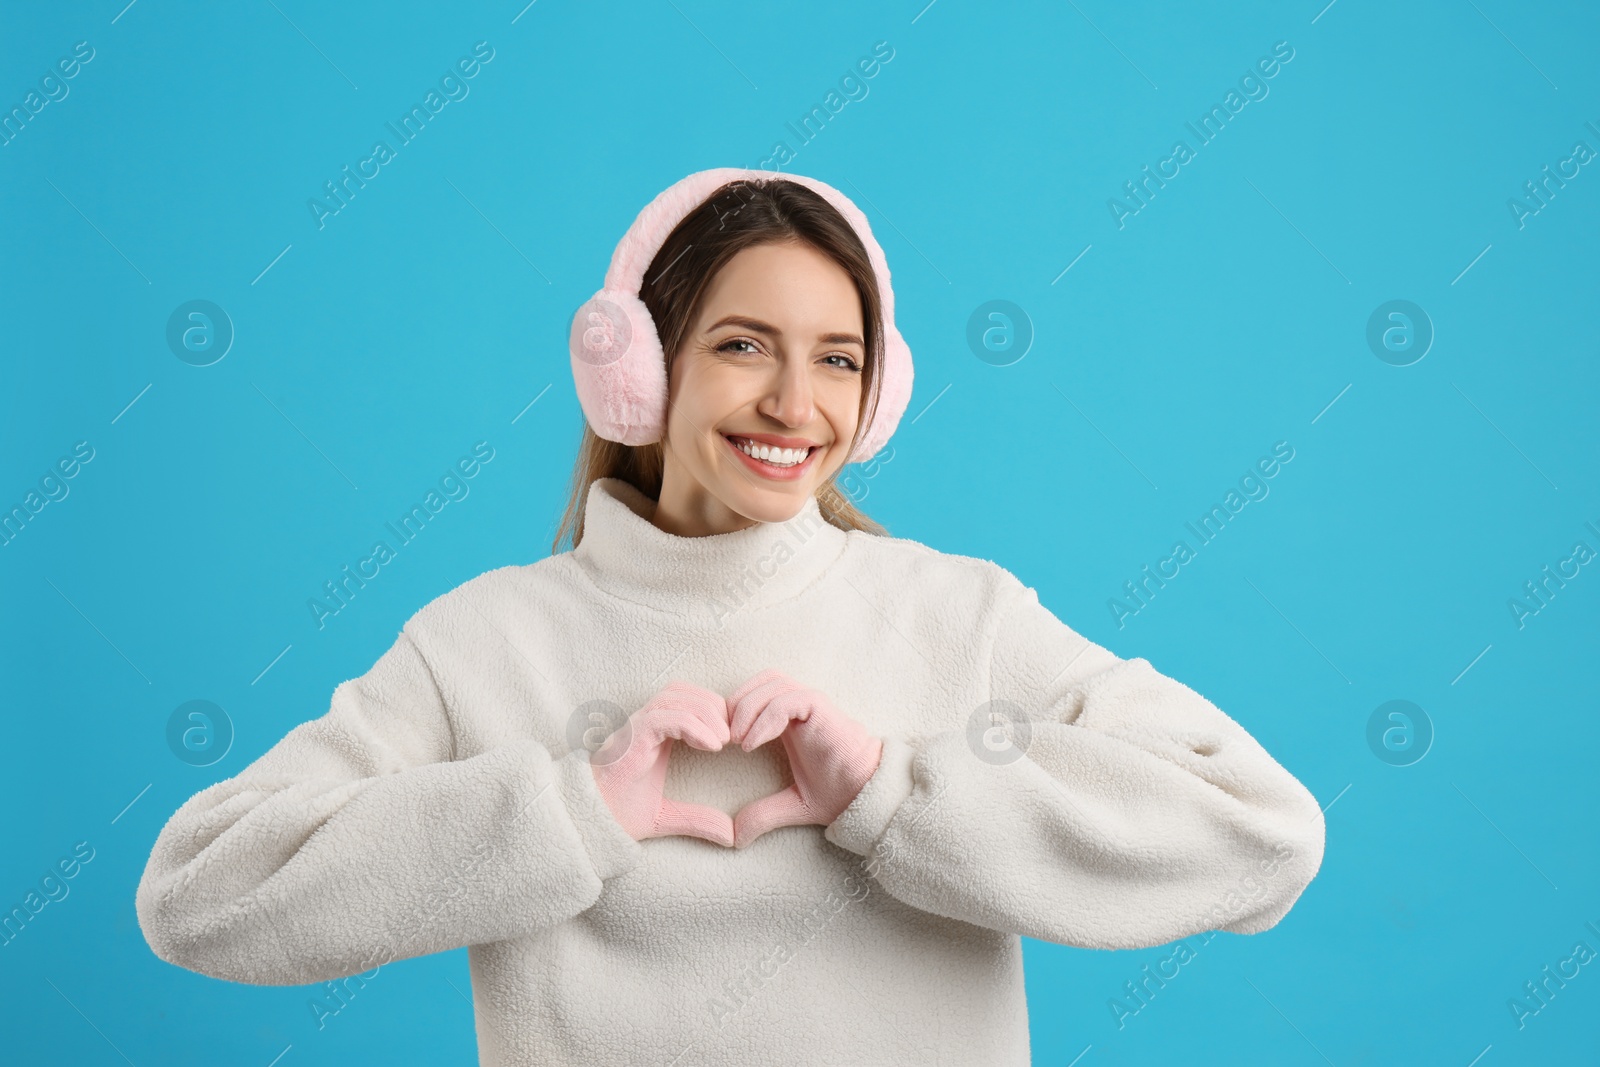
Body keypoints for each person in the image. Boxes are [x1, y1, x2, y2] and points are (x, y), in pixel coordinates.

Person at [135, 168, 1326, 1066]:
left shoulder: (955, 616)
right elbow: (196, 891)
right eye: (745, 344)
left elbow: (1263, 831)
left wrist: (895, 792)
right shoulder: (482, 642)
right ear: (641, 367)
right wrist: (563, 812)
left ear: (878, 392)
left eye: (839, 360)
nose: (794, 402)